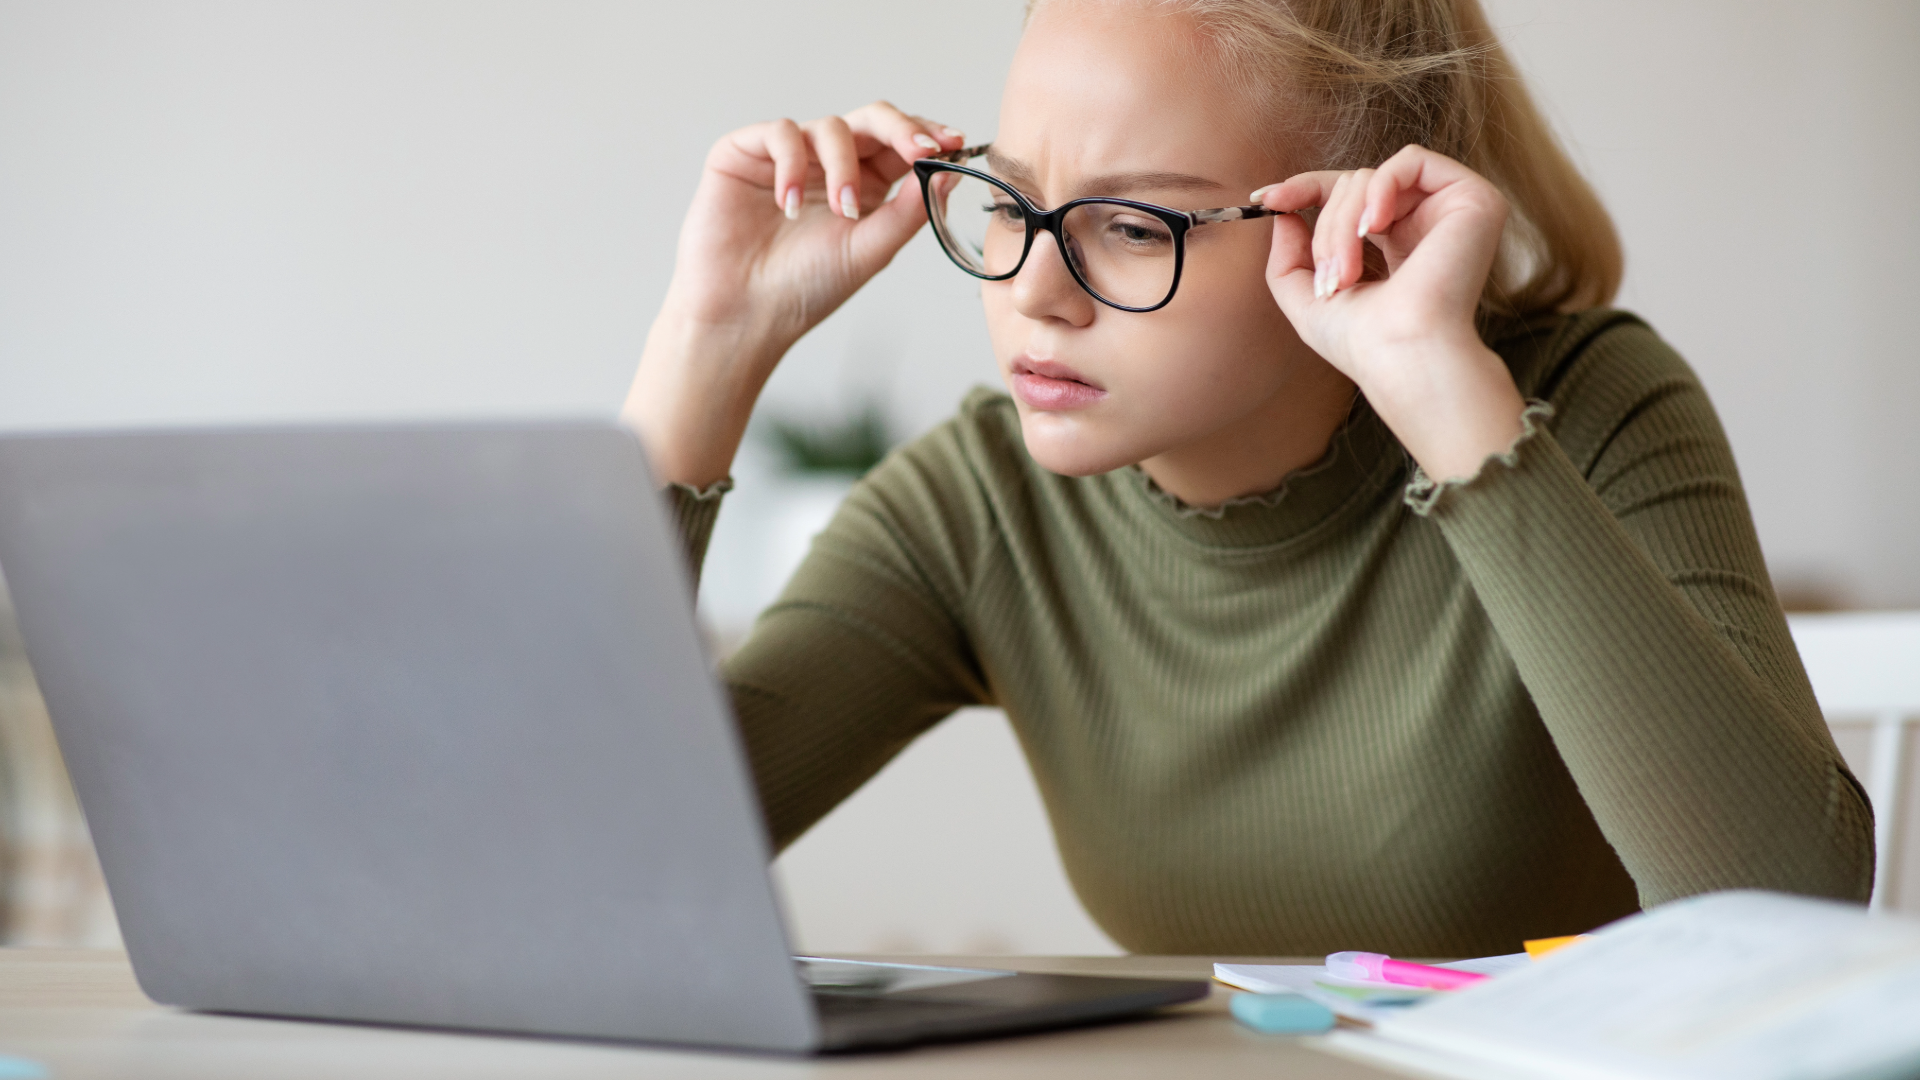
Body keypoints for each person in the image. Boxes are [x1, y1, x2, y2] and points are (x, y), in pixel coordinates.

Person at [622, 0, 1872, 957]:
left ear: (1354, 222)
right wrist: (709, 346)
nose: (1032, 292)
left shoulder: (1587, 410)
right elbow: (587, 871)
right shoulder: (981, 505)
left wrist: (1449, 399)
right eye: (1012, 198)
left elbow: (1781, 911)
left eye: (1134, 224)